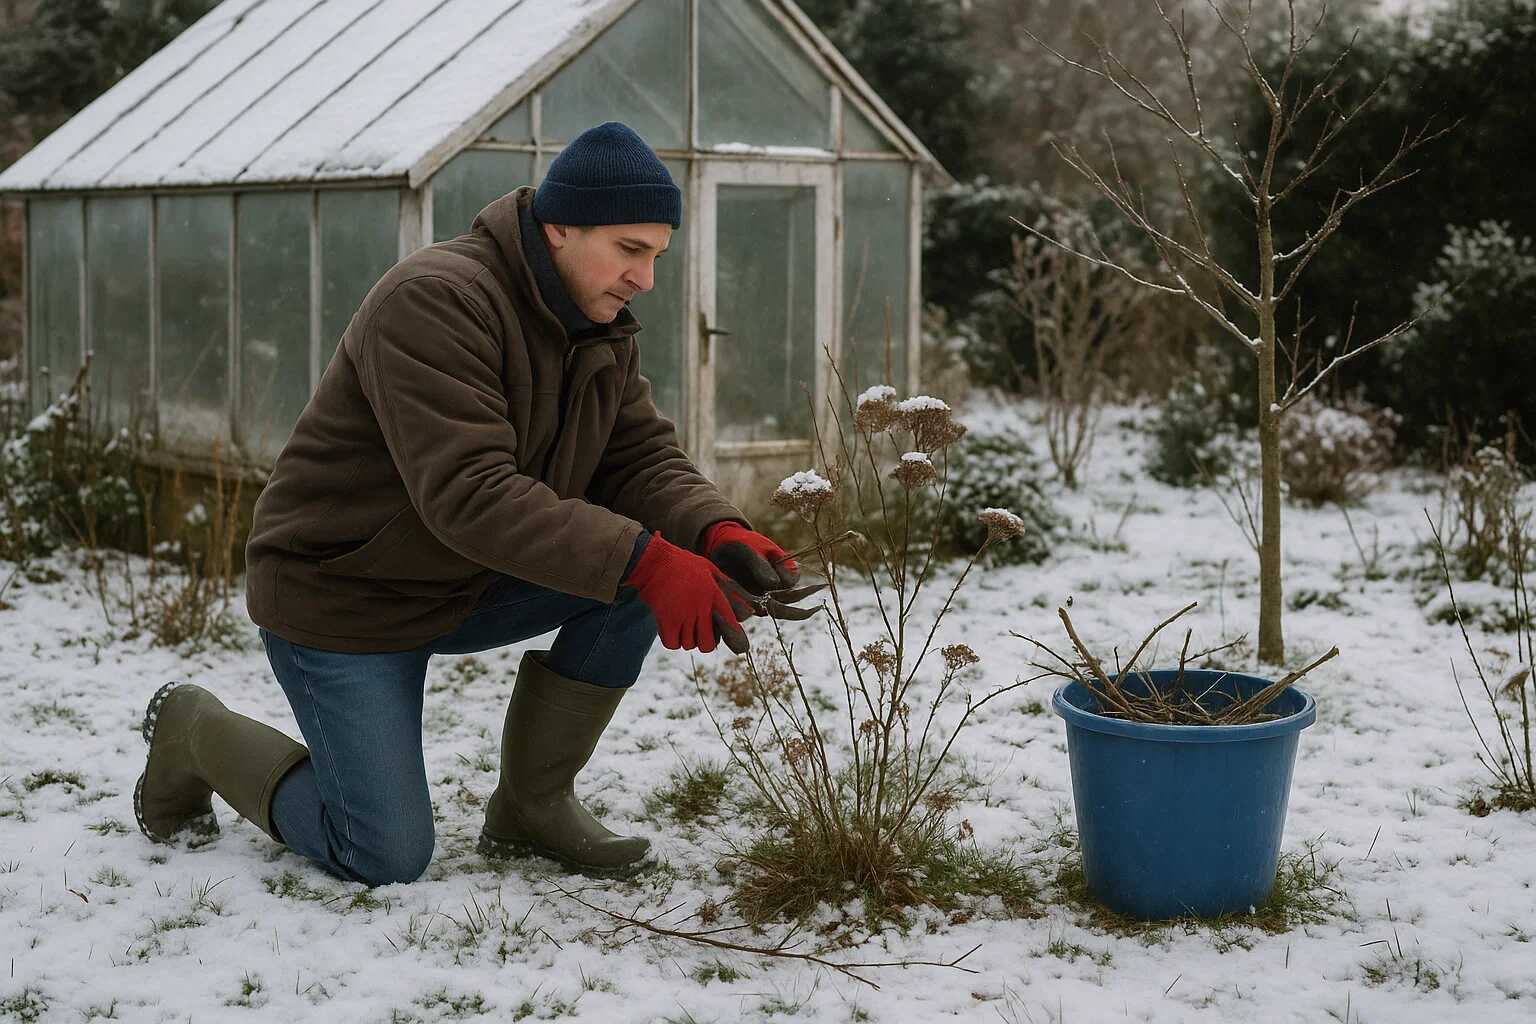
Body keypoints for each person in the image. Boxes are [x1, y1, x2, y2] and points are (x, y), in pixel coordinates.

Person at [131, 121, 799, 884]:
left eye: (656, 254)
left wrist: (713, 530)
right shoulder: (435, 301)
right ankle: (193, 730)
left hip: (464, 581)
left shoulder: (598, 323)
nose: (645, 277)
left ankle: (531, 808)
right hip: (347, 596)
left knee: (645, 570)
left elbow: (637, 454)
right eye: (629, 249)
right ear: (558, 228)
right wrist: (649, 561)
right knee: (383, 854)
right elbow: (470, 495)